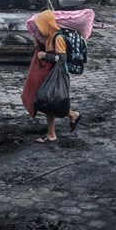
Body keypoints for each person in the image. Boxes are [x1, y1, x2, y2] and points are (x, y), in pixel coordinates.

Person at [24, 10, 81, 143]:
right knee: (50, 101)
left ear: (47, 24)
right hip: (51, 73)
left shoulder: (58, 38)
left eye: (41, 26)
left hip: (59, 74)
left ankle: (55, 131)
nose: (39, 29)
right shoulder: (50, 37)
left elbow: (61, 59)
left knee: (51, 101)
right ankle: (61, 125)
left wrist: (45, 55)